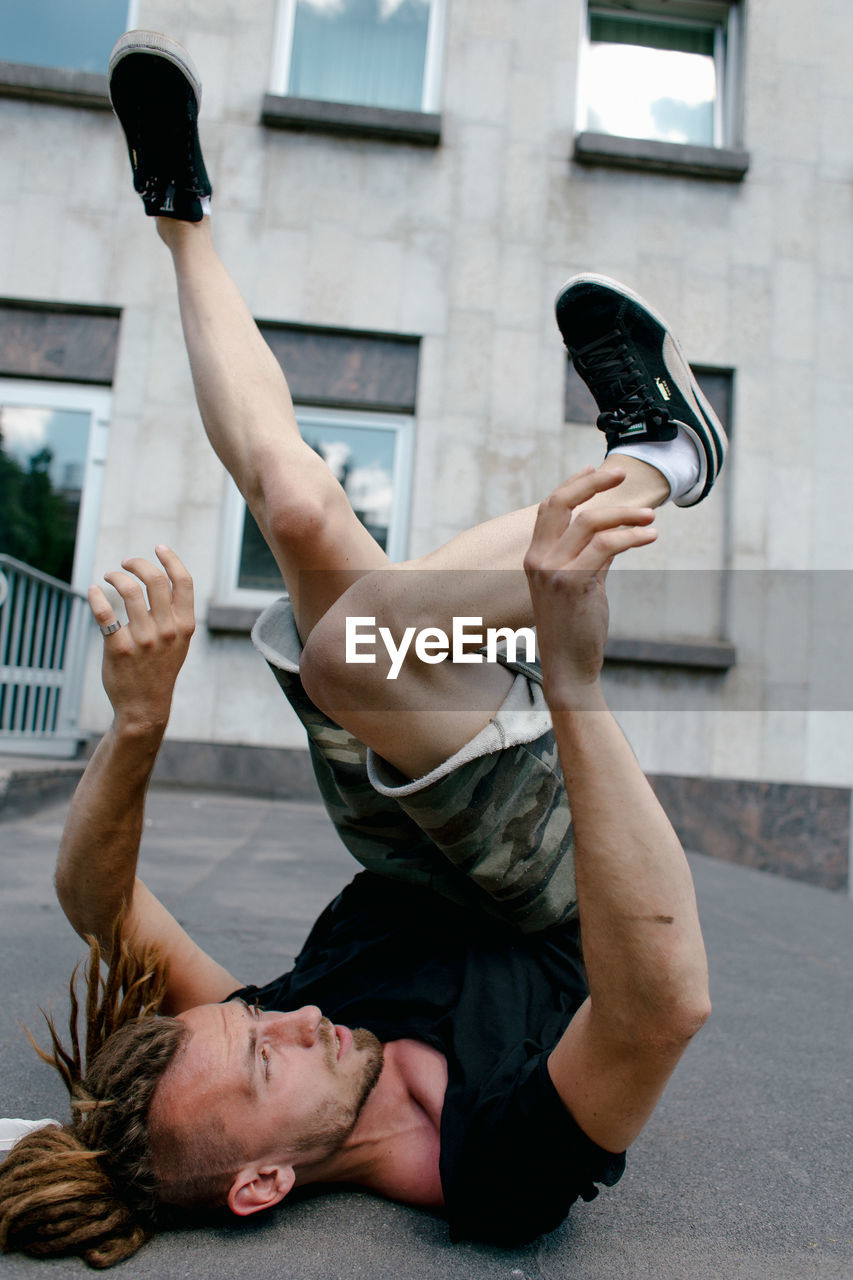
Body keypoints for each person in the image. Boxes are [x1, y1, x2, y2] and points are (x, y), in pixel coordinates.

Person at [0, 31, 725, 1269]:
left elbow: (92, 900)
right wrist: (572, 679)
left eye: (255, 1021)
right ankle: (653, 464)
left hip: (421, 834)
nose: (292, 1019)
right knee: (351, 655)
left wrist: (135, 723)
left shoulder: (274, 1028)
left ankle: (178, 215)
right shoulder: (495, 1161)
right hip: (571, 891)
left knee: (297, 512)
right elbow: (662, 1003)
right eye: (265, 1058)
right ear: (262, 1181)